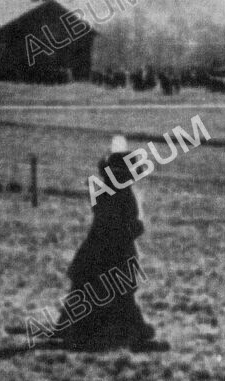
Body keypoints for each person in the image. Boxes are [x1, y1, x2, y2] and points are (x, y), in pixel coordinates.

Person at [54, 136, 157, 350]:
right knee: (117, 292)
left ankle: (74, 328)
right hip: (114, 250)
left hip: (99, 249)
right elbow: (124, 224)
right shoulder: (122, 194)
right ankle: (129, 330)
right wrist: (135, 229)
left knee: (87, 289)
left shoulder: (106, 191)